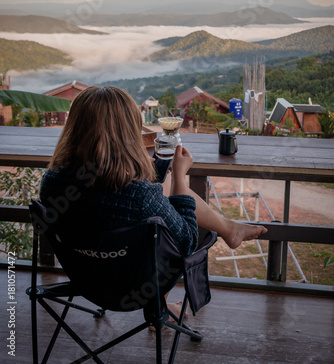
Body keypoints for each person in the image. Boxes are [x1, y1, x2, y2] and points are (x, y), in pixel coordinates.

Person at [40, 86, 267, 318]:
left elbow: (100, 198)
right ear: (128, 130)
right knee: (166, 193)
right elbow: (186, 242)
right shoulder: (139, 195)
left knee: (161, 190)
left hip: (88, 281)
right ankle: (225, 231)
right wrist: (179, 175)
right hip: (140, 287)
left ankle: (228, 229)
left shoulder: (51, 183)